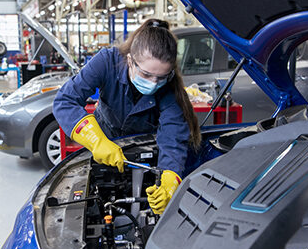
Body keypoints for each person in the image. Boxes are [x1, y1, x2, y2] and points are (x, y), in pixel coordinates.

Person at [53, 18, 201, 214]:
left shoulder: (169, 88)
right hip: (103, 144)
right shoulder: (107, 61)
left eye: (161, 77)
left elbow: (173, 136)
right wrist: (96, 141)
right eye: (147, 75)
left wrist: (169, 181)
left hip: (142, 151)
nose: (154, 83)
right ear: (130, 60)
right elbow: (65, 101)